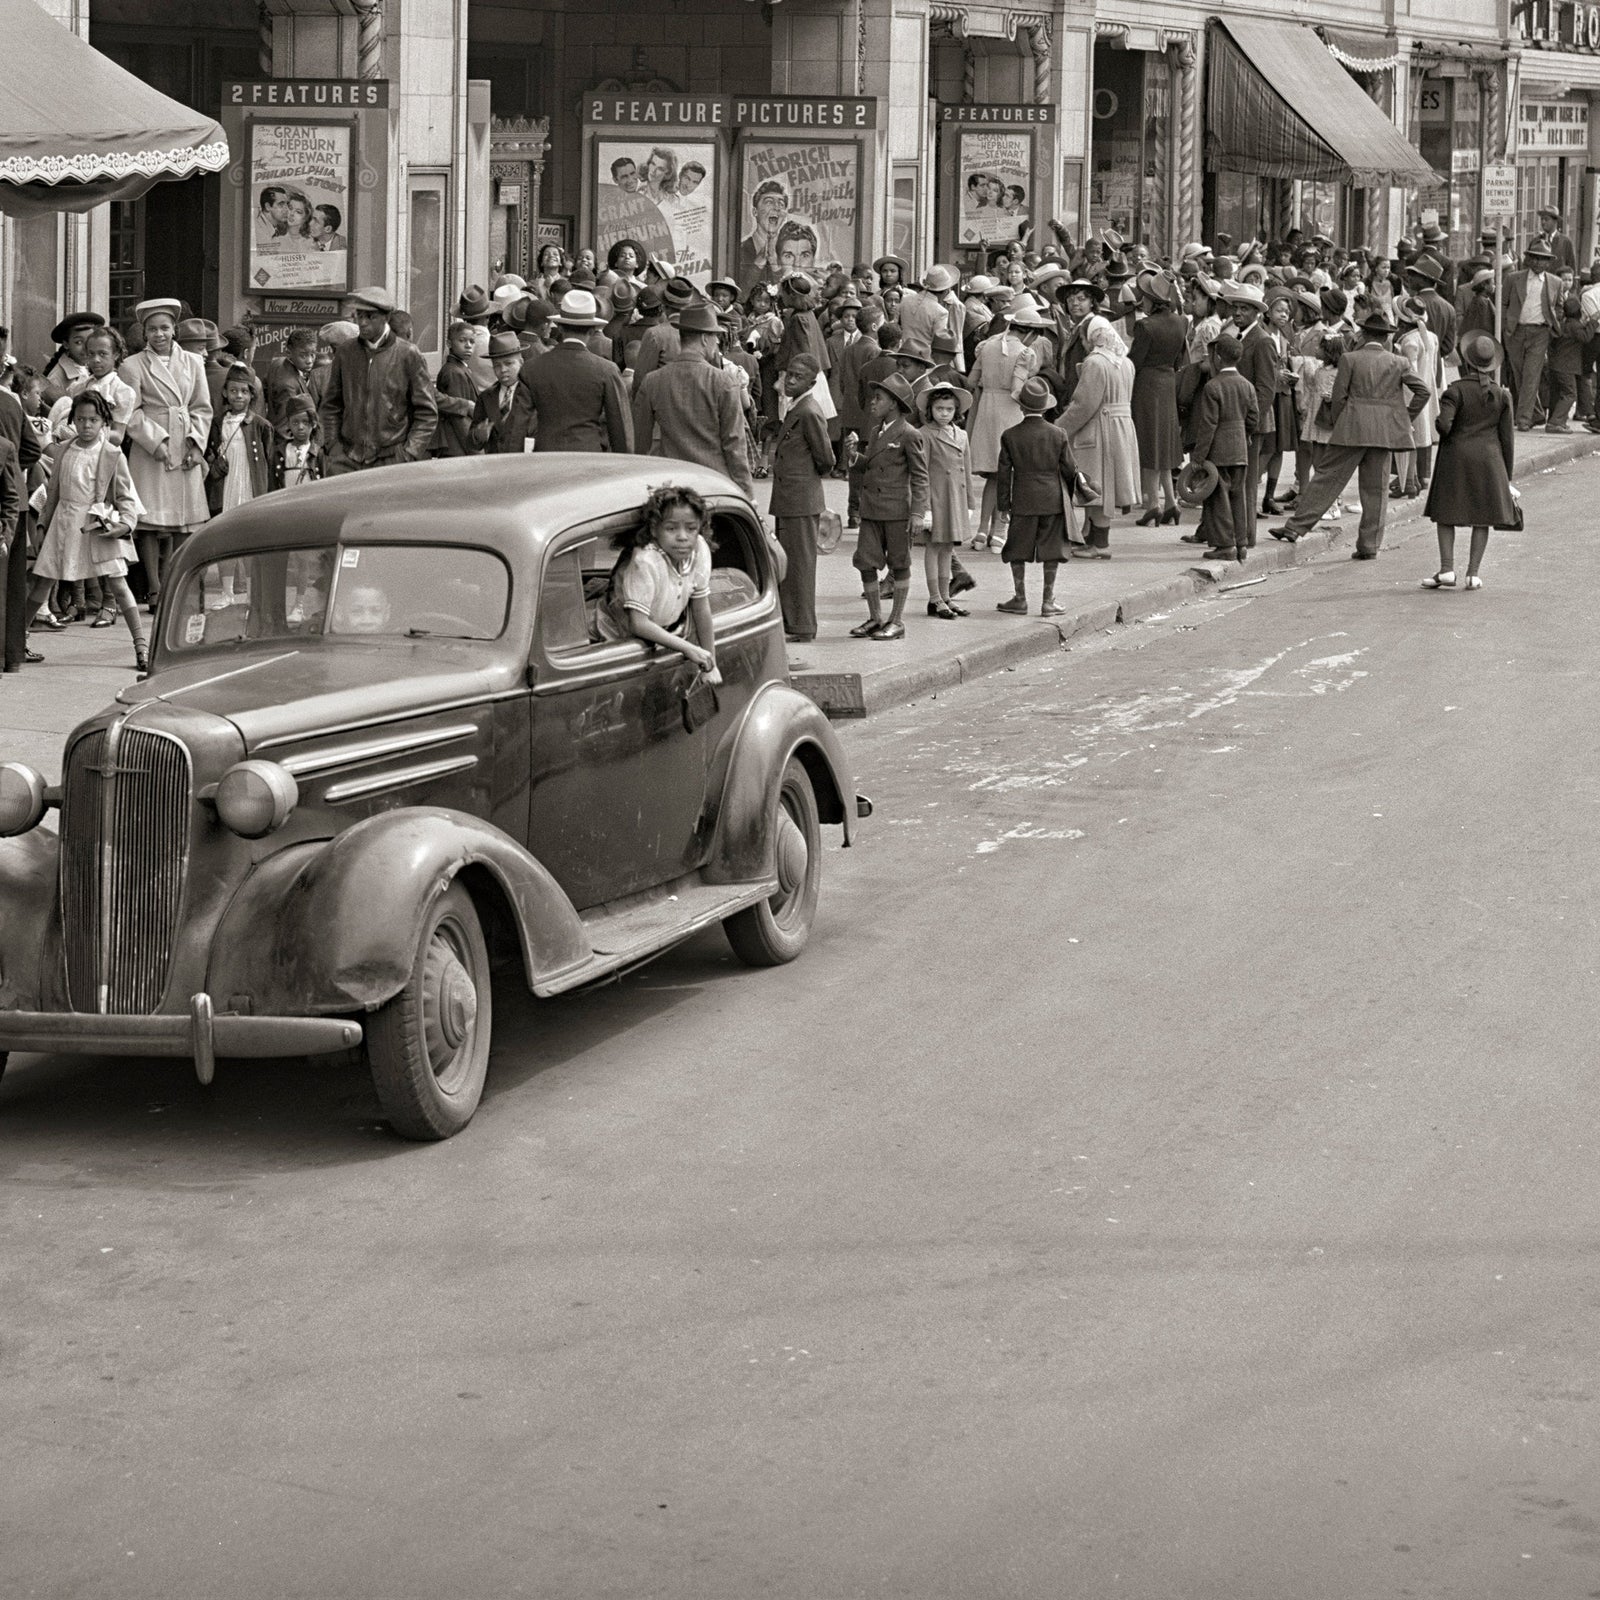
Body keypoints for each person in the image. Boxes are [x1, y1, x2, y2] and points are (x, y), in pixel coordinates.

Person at [1270, 310, 1430, 557]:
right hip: (1383, 432)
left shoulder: (1350, 359)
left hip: (1351, 428)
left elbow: (1339, 397)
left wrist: (1339, 421)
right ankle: (1369, 546)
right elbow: (1423, 391)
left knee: (1326, 479)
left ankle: (1295, 528)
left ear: (1363, 334)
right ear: (1386, 337)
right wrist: (1403, 418)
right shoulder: (1399, 362)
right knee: (1376, 490)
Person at [25, 391, 147, 673]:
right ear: (73, 420)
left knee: (118, 584)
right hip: (63, 523)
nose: (86, 425)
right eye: (80, 419)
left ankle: (142, 646)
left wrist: (125, 524)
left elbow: (126, 496)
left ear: (104, 421)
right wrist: (42, 524)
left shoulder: (112, 454)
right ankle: (18, 640)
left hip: (97, 524)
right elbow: (52, 492)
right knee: (43, 582)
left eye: (93, 420)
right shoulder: (64, 450)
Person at [119, 297, 211, 612]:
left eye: (165, 328)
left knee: (183, 521)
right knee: (150, 520)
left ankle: (175, 582)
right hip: (151, 446)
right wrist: (155, 443)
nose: (159, 334)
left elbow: (202, 407)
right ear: (144, 333)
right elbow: (131, 411)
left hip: (185, 442)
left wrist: (196, 444)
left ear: (174, 330)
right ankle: (155, 587)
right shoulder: (132, 366)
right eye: (152, 329)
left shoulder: (193, 362)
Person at [1421, 329, 1517, 592]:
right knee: (1482, 517)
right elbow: (1507, 440)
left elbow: (1444, 425)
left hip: (1456, 459)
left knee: (1445, 513)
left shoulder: (1455, 391)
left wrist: (1442, 427)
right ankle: (1473, 574)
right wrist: (1506, 477)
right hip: (1489, 461)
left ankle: (1446, 569)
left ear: (1467, 360)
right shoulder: (1501, 395)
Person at [595, 483, 720, 685]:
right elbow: (638, 623)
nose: (682, 537)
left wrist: (710, 662)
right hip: (618, 636)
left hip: (662, 636)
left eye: (691, 528)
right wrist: (688, 648)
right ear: (654, 529)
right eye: (671, 528)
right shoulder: (646, 561)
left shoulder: (699, 550)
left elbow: (700, 606)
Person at [632, 303, 755, 497]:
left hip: (671, 483)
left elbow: (640, 442)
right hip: (713, 483)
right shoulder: (724, 382)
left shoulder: (653, 381)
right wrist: (747, 493)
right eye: (715, 336)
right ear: (705, 339)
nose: (717, 341)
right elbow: (735, 445)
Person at [317, 286, 438, 472]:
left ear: (386, 317)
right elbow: (331, 406)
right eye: (359, 316)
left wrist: (409, 453)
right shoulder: (345, 353)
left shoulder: (408, 354)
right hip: (347, 459)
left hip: (391, 460)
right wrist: (334, 448)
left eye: (370, 316)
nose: (362, 322)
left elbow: (427, 412)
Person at [850, 373, 928, 642]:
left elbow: (920, 476)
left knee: (899, 564)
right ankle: (875, 617)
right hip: (872, 509)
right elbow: (873, 464)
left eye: (878, 398)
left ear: (894, 403)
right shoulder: (876, 432)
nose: (872, 402)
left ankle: (896, 621)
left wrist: (917, 513)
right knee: (865, 562)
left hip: (896, 512)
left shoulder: (909, 434)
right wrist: (855, 457)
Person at [1059, 321, 1139, 558]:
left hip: (1100, 428)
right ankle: (1093, 540)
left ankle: (1100, 545)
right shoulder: (1125, 362)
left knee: (1099, 486)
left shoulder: (1095, 362)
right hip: (1122, 427)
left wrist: (1059, 428)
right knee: (1106, 485)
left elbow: (1084, 404)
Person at [769, 354, 834, 643]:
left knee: (800, 566)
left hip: (800, 499)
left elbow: (826, 459)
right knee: (790, 562)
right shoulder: (796, 407)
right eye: (789, 375)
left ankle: (802, 626)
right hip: (790, 499)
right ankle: (792, 621)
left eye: (798, 377)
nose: (791, 380)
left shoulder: (808, 411)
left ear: (812, 382)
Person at [993, 376, 1071, 615]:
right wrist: (1070, 498)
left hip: (1023, 500)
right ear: (1045, 407)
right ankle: (1048, 601)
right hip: (1052, 499)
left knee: (1017, 548)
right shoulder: (1059, 434)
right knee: (1052, 549)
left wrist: (1003, 506)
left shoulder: (1010, 436)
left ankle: (1020, 598)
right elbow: (1069, 469)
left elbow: (1003, 474)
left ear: (1021, 407)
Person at [521, 290, 634, 453]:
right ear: (592, 330)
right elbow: (620, 429)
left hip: (545, 457)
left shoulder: (532, 368)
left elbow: (517, 426)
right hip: (588, 456)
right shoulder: (607, 371)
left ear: (560, 327)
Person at [966, 304, 1036, 549]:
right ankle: (1000, 530)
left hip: (987, 409)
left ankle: (981, 530)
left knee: (994, 476)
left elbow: (972, 380)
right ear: (1029, 332)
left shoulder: (987, 346)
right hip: (1010, 413)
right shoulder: (1024, 352)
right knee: (1011, 474)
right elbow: (1017, 389)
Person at [1189, 332, 1258, 563]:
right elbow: (1253, 418)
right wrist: (1244, 435)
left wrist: (1198, 456)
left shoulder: (1213, 386)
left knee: (1219, 499)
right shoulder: (1247, 386)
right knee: (1238, 495)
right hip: (1240, 449)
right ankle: (1241, 543)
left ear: (1218, 358)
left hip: (1218, 451)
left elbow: (1208, 424)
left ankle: (1225, 546)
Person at [1129, 273, 1186, 525]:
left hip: (1147, 385)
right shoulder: (1181, 322)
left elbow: (1135, 361)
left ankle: (1153, 503)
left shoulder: (1145, 326)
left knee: (1150, 444)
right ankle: (1171, 502)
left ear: (1153, 300)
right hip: (1168, 382)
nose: (1142, 302)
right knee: (1164, 443)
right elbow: (1179, 359)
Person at [917, 381, 976, 617]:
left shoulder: (961, 435)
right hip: (937, 497)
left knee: (948, 547)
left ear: (956, 411)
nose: (944, 413)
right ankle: (935, 598)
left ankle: (946, 596)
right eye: (939, 408)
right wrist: (925, 508)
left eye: (949, 409)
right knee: (934, 546)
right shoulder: (925, 434)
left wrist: (970, 502)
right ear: (930, 409)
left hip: (956, 497)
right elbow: (921, 472)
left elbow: (967, 470)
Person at [204, 363, 274, 517]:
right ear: (225, 392)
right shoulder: (217, 423)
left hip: (249, 483)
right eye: (233, 391)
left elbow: (270, 463)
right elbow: (209, 454)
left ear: (252, 394)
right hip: (226, 483)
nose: (239, 395)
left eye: (244, 391)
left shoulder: (261, 426)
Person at [1503, 242, 1559, 430]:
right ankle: (1537, 413)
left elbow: (1558, 306)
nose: (1538, 262)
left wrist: (1553, 324)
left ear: (1549, 262)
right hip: (1516, 332)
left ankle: (1524, 419)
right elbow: (1503, 303)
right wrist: (1506, 326)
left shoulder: (1555, 282)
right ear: (1528, 259)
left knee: (1531, 375)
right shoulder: (1513, 278)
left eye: (1543, 259)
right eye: (1534, 258)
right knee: (1519, 375)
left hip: (1540, 333)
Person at [471, 330, 536, 453]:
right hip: (494, 463)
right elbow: (471, 441)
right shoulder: (486, 397)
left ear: (521, 362)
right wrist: (478, 435)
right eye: (497, 365)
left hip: (525, 462)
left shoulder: (534, 395)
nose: (503, 370)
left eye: (508, 363)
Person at [434, 320, 484, 457]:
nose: (468, 346)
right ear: (449, 343)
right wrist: (476, 451)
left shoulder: (461, 368)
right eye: (462, 340)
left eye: (472, 341)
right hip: (457, 447)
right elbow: (459, 419)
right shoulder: (454, 372)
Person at [273, 394, 323, 490]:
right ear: (288, 424)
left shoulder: (319, 454)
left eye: (305, 422)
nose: (300, 427)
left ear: (314, 423)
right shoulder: (279, 453)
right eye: (295, 423)